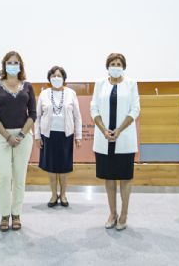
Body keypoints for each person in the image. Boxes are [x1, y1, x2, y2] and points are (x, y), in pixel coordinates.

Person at [90, 53, 140, 231]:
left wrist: (119, 130)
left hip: (124, 138)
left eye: (119, 64)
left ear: (124, 66)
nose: (116, 66)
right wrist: (104, 129)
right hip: (104, 138)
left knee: (125, 179)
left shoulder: (131, 84)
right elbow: (93, 108)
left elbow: (135, 109)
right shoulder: (99, 84)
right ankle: (112, 213)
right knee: (109, 179)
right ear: (107, 66)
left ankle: (124, 214)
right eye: (112, 63)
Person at [0, 51, 36, 232]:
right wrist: (8, 136)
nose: (13, 65)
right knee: (4, 176)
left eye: (16, 62)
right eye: (9, 62)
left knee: (19, 177)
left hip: (23, 137)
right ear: (4, 65)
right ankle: (4, 215)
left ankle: (16, 214)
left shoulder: (28, 87)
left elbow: (32, 114)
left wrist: (22, 135)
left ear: (21, 66)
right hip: (1, 136)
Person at [34, 66, 83, 207]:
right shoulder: (44, 94)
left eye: (59, 76)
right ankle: (53, 195)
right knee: (51, 168)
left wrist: (78, 136)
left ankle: (63, 195)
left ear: (64, 78)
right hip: (48, 135)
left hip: (65, 135)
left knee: (63, 168)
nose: (56, 78)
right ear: (49, 78)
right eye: (53, 76)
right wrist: (37, 136)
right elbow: (37, 116)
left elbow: (77, 117)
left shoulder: (71, 93)